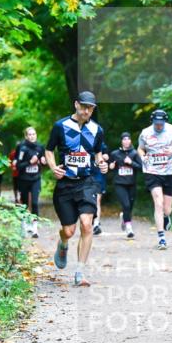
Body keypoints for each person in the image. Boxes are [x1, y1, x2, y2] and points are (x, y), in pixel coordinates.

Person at [45, 91, 109, 287]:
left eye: (90, 108)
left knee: (87, 224)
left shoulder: (97, 130)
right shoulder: (60, 126)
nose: (86, 111)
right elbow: (49, 150)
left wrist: (102, 163)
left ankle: (80, 272)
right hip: (65, 184)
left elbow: (97, 153)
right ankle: (63, 244)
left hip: (87, 182)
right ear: (76, 105)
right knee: (69, 230)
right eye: (84, 106)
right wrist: (54, 167)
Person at [138, 109, 172, 250]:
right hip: (152, 171)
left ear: (165, 121)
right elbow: (140, 149)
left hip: (170, 172)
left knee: (167, 209)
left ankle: (166, 216)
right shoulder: (145, 133)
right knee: (158, 203)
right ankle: (161, 238)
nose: (159, 126)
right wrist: (143, 157)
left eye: (161, 123)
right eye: (156, 123)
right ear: (152, 121)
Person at [109, 132, 143, 239]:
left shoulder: (134, 153)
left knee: (130, 206)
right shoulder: (115, 153)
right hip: (119, 184)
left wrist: (131, 163)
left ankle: (124, 218)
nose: (126, 141)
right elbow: (110, 166)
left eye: (128, 139)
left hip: (131, 184)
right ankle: (129, 228)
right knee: (126, 205)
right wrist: (111, 166)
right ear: (121, 141)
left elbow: (141, 167)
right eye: (124, 139)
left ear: (131, 141)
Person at [15, 126, 47, 238]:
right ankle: (24, 226)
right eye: (30, 134)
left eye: (34, 134)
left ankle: (34, 229)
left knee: (34, 203)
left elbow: (43, 161)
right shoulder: (21, 147)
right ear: (26, 136)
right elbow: (18, 165)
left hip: (35, 179)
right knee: (24, 204)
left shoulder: (40, 147)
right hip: (23, 179)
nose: (32, 136)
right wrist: (30, 162)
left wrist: (43, 161)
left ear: (36, 135)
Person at [91, 140, 108, 236]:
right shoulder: (83, 142)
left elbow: (107, 156)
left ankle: (96, 224)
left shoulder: (102, 144)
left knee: (97, 200)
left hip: (98, 176)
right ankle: (90, 221)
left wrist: (103, 157)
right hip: (86, 175)